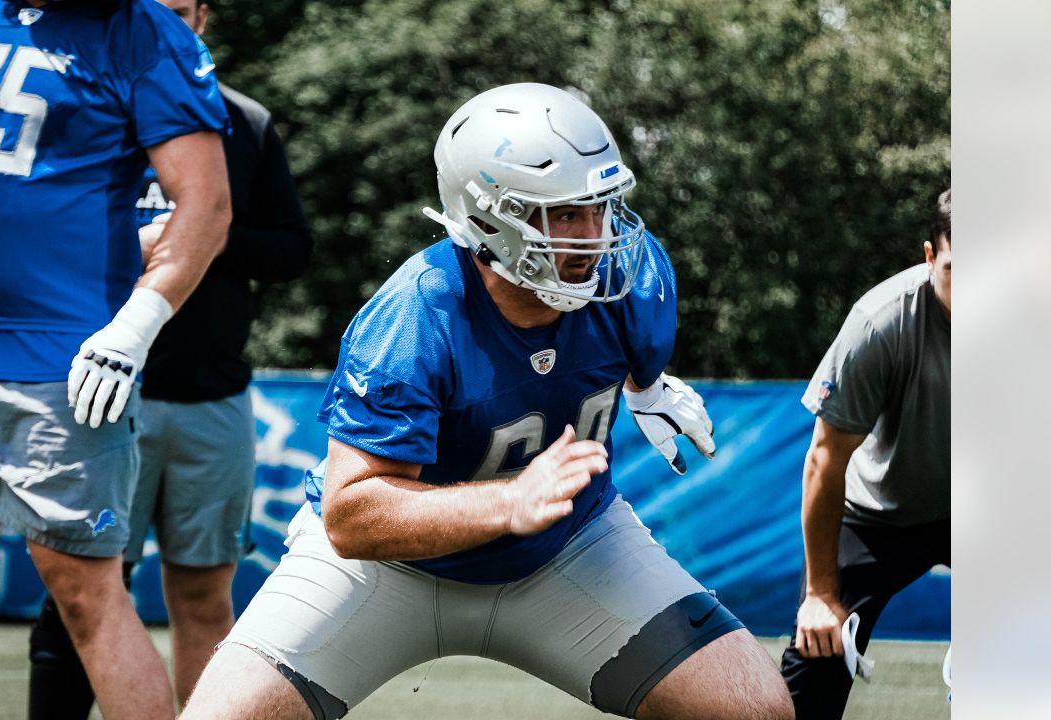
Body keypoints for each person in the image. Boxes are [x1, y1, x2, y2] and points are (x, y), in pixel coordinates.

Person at [181, 83, 793, 720]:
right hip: (385, 570)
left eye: (601, 207)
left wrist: (647, 388)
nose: (594, 237)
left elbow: (627, 355)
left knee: (754, 710)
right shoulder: (416, 314)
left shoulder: (628, 282)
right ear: (486, 221)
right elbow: (350, 516)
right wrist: (507, 501)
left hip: (568, 547)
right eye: (562, 215)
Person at [0, 1, 232, 718]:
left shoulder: (140, 30)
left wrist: (134, 328)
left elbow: (207, 204)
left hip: (61, 359)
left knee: (86, 594)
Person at [24, 1, 313, 715]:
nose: (170, 26)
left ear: (207, 18)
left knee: (206, 596)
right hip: (95, 395)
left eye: (183, 12)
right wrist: (132, 236)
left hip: (211, 398)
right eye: (156, 10)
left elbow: (293, 250)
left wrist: (201, 231)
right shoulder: (80, 104)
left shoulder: (244, 122)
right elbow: (32, 229)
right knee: (79, 592)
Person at [778, 188, 951, 718]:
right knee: (821, 649)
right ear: (928, 256)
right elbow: (826, 458)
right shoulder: (880, 322)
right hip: (879, 514)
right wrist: (821, 596)